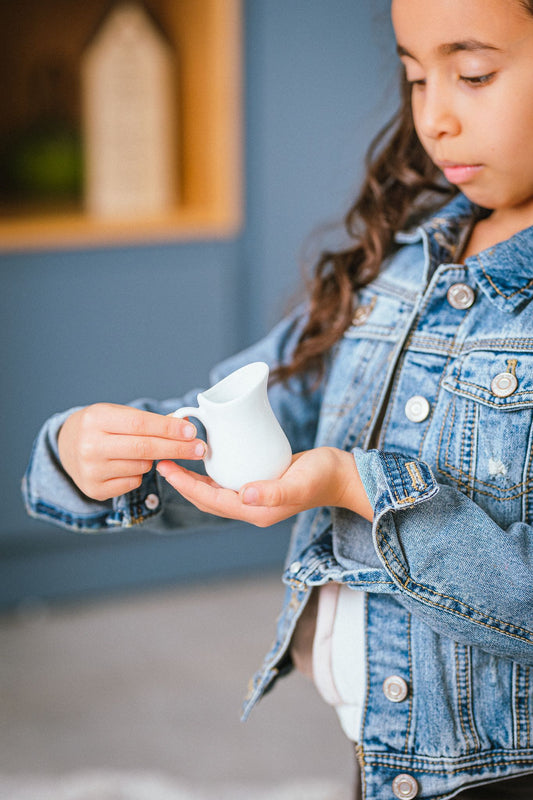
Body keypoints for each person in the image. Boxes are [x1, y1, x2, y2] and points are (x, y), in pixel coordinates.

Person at [22, 0, 533, 797]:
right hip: (383, 759)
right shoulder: (394, 266)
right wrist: (90, 456)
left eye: (471, 75)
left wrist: (358, 486)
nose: (431, 117)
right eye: (412, 77)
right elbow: (243, 429)